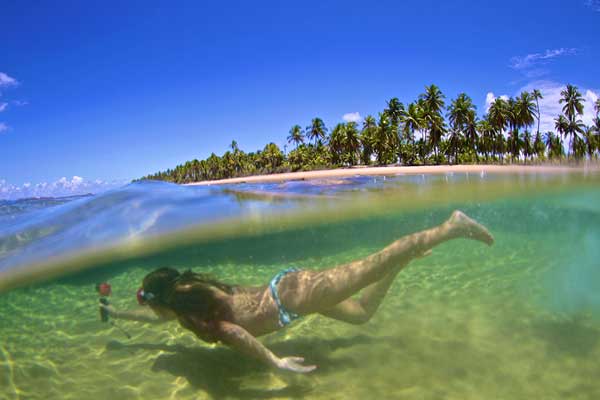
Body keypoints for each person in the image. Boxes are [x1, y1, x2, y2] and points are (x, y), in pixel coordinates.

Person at [101, 210, 493, 373]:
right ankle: (403, 262)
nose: (153, 315)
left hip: (294, 296)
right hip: (290, 291)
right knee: (361, 314)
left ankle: (450, 226)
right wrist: (117, 315)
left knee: (376, 261)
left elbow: (232, 332)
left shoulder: (191, 313)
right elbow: (156, 320)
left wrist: (275, 362)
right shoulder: (186, 296)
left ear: (161, 301)